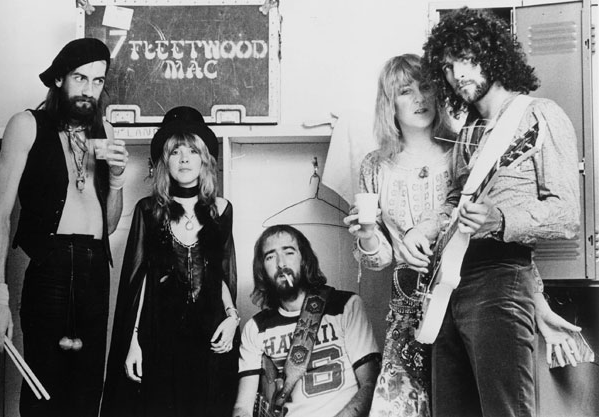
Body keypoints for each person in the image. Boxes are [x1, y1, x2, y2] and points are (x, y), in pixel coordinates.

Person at [417, 7, 582, 416]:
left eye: (466, 58)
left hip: (500, 278)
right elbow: (456, 202)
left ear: (493, 55)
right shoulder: (469, 131)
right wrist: (423, 228)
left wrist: (502, 219)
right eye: (448, 66)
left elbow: (567, 215)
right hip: (448, 283)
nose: (458, 74)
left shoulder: (540, 115)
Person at [0, 38, 128, 417]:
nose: (89, 90)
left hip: (95, 270)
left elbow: (110, 226)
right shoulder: (27, 125)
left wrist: (116, 180)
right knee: (43, 392)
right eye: (80, 78)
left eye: (98, 81)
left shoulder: (105, 132)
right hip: (50, 268)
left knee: (87, 394)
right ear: (60, 78)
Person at [101, 106, 240, 417]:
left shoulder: (221, 209)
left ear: (205, 160)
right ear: (164, 162)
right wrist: (133, 343)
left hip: (210, 335)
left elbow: (219, 273)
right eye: (175, 151)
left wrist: (233, 318)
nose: (184, 158)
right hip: (160, 337)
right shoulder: (149, 210)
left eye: (193, 151)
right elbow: (139, 281)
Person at [345, 53, 455, 417]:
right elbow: (380, 258)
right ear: (389, 103)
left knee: (460, 401)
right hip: (407, 304)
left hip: (463, 293)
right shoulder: (375, 165)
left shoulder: (460, 152)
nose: (420, 98)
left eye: (426, 87)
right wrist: (366, 232)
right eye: (406, 91)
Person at [233, 225, 381, 417]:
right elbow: (243, 407)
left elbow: (371, 384)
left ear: (304, 259)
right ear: (262, 270)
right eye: (270, 257)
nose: (281, 263)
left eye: (289, 252)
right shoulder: (255, 328)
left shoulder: (346, 306)